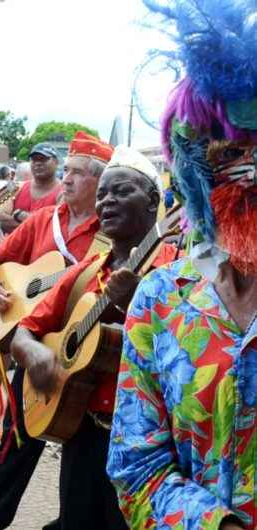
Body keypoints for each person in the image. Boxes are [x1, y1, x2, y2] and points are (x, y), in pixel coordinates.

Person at [107, 2, 257, 530]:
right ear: (196, 170)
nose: (251, 170)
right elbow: (135, 467)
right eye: (228, 153)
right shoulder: (161, 300)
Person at [11, 146, 176, 530]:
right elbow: (24, 331)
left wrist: (136, 300)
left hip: (147, 442)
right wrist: (36, 355)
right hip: (82, 432)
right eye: (102, 193)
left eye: (121, 191)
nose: (106, 201)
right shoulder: (87, 272)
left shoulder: (174, 269)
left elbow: (184, 353)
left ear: (153, 200)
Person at [0, 131, 113, 530]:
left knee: (82, 464)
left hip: (79, 357)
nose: (66, 179)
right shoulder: (46, 219)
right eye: (67, 170)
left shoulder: (111, 232)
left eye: (78, 173)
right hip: (33, 349)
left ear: (102, 182)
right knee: (13, 449)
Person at [0, 143, 62, 233]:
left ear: (56, 162)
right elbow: (0, 218)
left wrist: (20, 215)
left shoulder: (65, 192)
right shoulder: (15, 186)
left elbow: (55, 226)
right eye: (34, 159)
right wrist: (38, 224)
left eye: (43, 159)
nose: (38, 163)